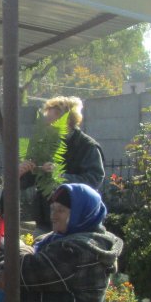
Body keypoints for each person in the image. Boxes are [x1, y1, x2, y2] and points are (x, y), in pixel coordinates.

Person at [19, 96, 105, 232]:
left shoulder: (87, 146)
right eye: (46, 123)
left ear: (68, 122)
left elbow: (94, 180)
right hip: (45, 221)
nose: (47, 127)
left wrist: (60, 176)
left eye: (52, 123)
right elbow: (28, 181)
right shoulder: (44, 145)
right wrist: (21, 174)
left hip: (78, 223)